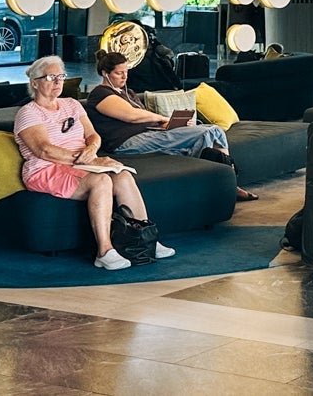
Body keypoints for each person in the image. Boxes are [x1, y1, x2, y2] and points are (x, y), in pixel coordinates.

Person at [13, 55, 174, 270]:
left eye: (61, 76)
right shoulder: (28, 112)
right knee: (101, 181)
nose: (58, 82)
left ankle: (146, 239)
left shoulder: (71, 104)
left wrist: (91, 150)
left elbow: (93, 135)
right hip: (45, 168)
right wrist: (88, 160)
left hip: (79, 164)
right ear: (35, 83)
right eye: (51, 77)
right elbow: (44, 150)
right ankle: (104, 251)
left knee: (123, 175)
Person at [86, 50, 257, 201]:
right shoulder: (100, 94)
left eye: (126, 72)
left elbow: (144, 119)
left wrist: (170, 125)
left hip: (149, 134)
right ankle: (220, 185)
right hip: (126, 143)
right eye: (119, 73)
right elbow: (132, 116)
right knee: (208, 132)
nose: (125, 77)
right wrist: (163, 118)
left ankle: (228, 183)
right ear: (105, 73)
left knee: (215, 132)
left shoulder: (128, 93)